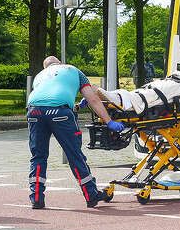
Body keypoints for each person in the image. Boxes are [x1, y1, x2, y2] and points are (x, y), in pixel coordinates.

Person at [26, 56, 125, 209]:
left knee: (38, 156)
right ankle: (91, 195)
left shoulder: (40, 76)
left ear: (46, 67)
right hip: (60, 112)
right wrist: (108, 121)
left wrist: (77, 104)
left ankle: (36, 198)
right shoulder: (73, 70)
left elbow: (47, 96)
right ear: (60, 63)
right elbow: (93, 99)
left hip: (34, 112)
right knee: (74, 154)